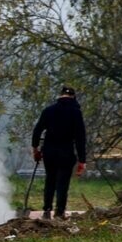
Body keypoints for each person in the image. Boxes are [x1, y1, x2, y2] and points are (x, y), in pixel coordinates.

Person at [31, 85, 87, 219]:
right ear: (73, 97)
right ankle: (59, 211)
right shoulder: (76, 112)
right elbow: (80, 138)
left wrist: (35, 149)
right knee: (63, 181)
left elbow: (37, 130)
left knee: (50, 178)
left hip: (49, 152)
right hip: (66, 152)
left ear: (60, 96)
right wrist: (82, 160)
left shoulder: (48, 110)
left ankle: (47, 209)